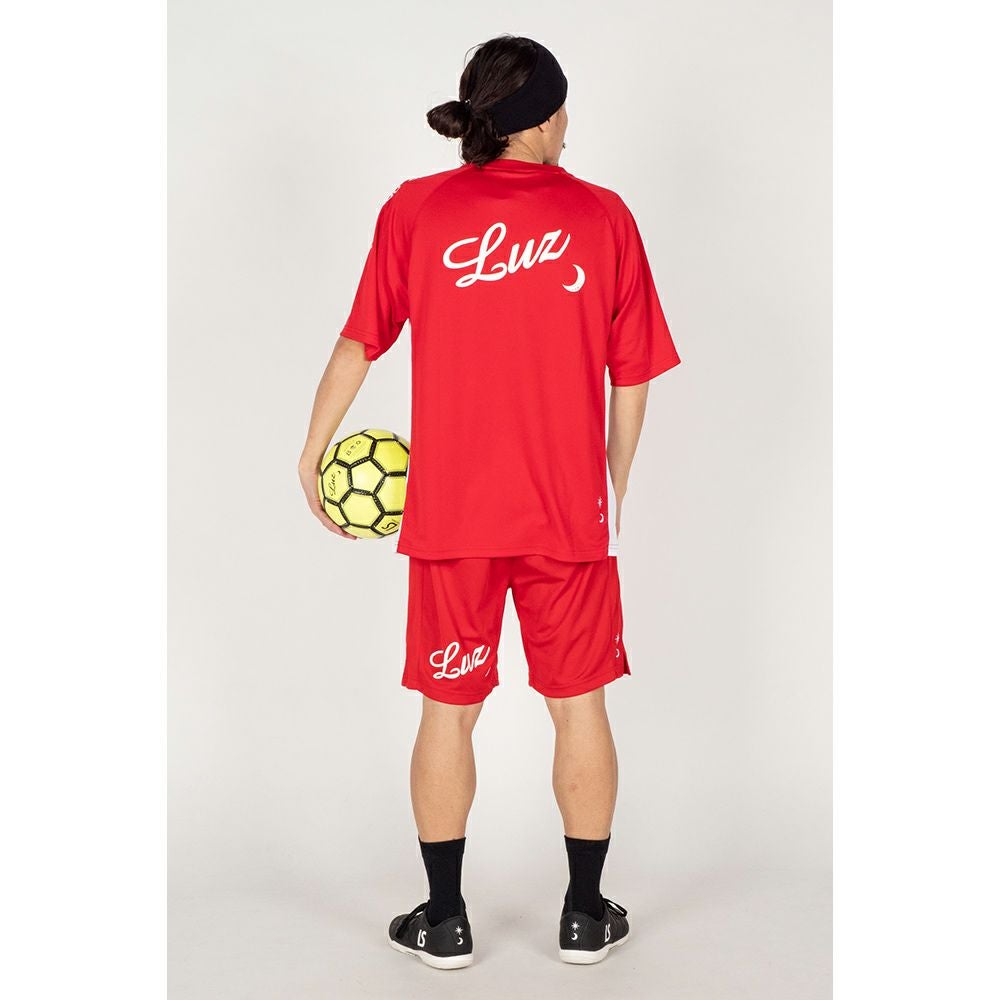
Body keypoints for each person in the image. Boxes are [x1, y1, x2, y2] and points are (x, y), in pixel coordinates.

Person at [298, 34, 681, 970]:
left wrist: (312, 451)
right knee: (579, 705)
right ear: (541, 117)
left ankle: (443, 920)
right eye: (563, 107)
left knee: (447, 711)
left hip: (451, 518)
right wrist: (611, 482)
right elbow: (632, 376)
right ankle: (584, 915)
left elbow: (358, 341)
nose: (569, 124)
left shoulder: (416, 209)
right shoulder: (603, 217)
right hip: (566, 517)